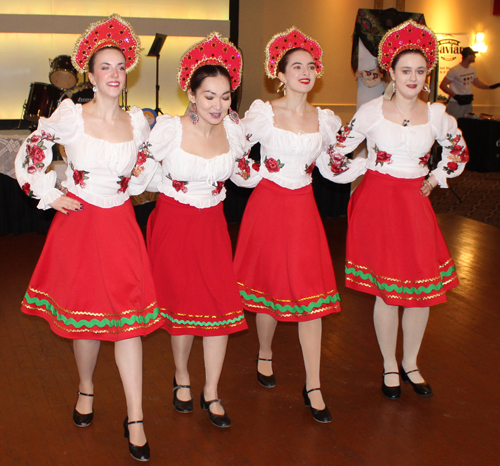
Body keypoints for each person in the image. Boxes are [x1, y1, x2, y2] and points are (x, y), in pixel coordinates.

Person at [15, 14, 161, 461]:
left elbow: (143, 169)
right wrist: (49, 193)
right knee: (87, 319)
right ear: (91, 74)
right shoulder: (71, 115)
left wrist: (134, 182)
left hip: (119, 226)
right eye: (105, 67)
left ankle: (135, 417)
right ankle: (85, 387)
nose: (114, 74)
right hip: (79, 224)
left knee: (128, 324)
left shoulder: (139, 122)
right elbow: (31, 151)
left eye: (121, 66)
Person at [322, 20, 469, 399]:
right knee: (388, 290)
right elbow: (337, 151)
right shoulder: (372, 111)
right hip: (378, 202)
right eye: (406, 70)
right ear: (391, 70)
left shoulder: (437, 114)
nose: (414, 78)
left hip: (414, 202)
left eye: (421, 71)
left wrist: (436, 178)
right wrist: (363, 168)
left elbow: (458, 151)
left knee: (422, 288)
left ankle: (412, 363)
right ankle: (389, 363)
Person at [145, 33, 259, 428]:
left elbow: (245, 175)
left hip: (212, 226)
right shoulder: (168, 131)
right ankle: (181, 377)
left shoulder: (235, 131)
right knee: (181, 305)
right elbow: (138, 170)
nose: (219, 104)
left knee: (221, 305)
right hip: (174, 225)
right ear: (191, 95)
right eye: (209, 96)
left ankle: (211, 391)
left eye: (226, 96)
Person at [233, 27, 344, 423]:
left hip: (303, 208)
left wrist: (373, 164)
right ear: (279, 74)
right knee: (269, 286)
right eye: (296, 66)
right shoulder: (265, 112)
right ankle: (265, 351)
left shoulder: (325, 119)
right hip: (267, 204)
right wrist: (257, 175)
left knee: (310, 295)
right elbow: (236, 150)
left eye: (311, 66)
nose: (306, 71)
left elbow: (335, 164)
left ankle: (313, 384)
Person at [439, 46, 500, 119]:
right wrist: (456, 96)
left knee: (467, 124)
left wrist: (490, 87)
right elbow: (443, 85)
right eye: (473, 55)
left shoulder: (472, 69)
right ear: (468, 56)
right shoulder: (455, 70)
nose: (475, 56)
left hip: (468, 102)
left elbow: (477, 83)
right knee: (454, 124)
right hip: (456, 103)